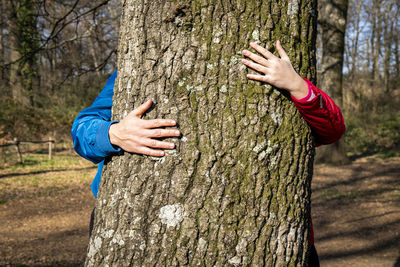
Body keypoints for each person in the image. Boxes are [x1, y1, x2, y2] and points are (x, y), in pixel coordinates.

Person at [71, 40, 345, 266]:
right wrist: (112, 133)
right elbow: (82, 128)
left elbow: (332, 130)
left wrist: (297, 85)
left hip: (275, 234)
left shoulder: (278, 69)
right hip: (134, 228)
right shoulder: (137, 67)